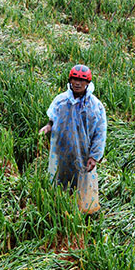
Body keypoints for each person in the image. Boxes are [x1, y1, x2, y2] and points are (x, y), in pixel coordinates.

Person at [39, 64, 107, 213]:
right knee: (61, 179)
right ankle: (59, 208)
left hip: (83, 153)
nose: (77, 83)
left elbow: (100, 133)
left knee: (80, 182)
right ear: (70, 80)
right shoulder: (61, 100)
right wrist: (48, 126)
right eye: (75, 79)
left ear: (88, 83)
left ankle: (79, 212)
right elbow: (53, 117)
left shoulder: (95, 106)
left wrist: (94, 157)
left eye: (82, 80)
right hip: (62, 150)